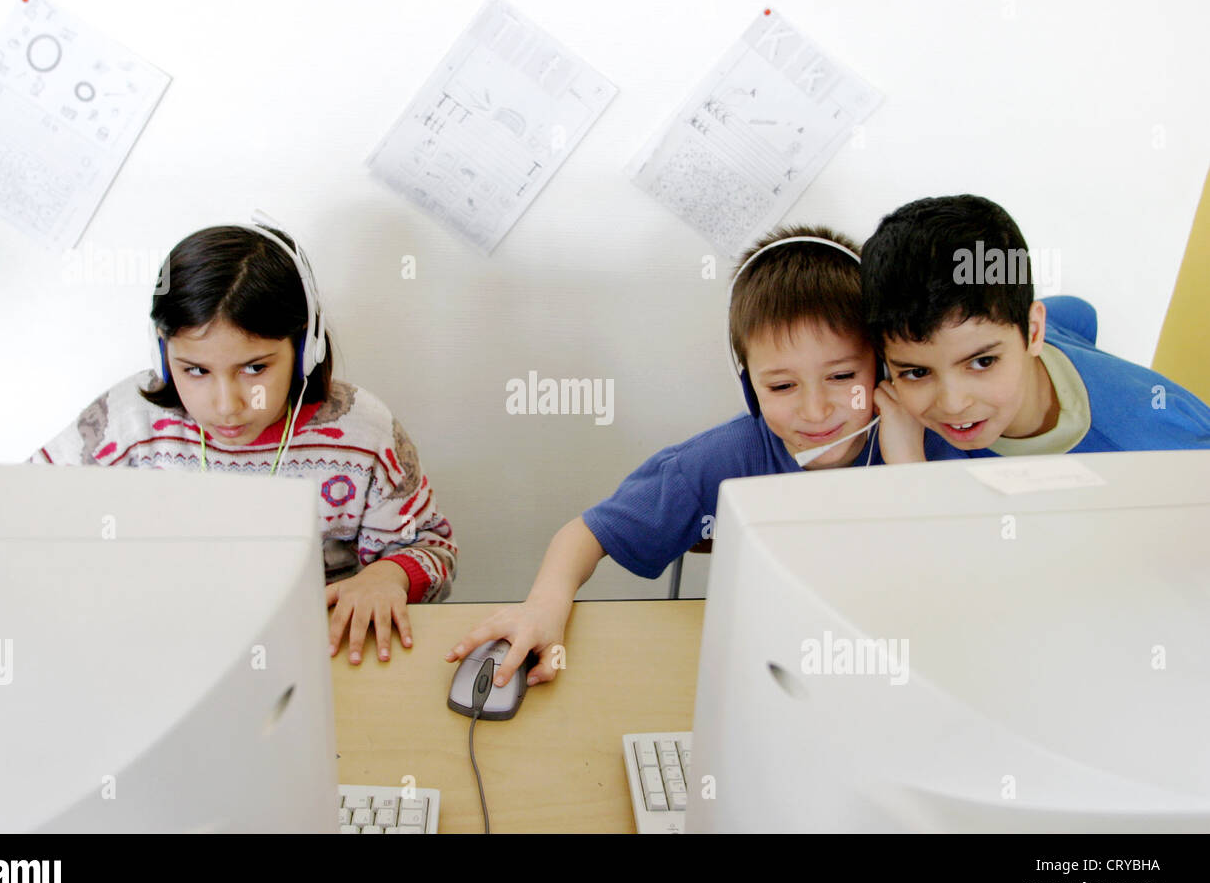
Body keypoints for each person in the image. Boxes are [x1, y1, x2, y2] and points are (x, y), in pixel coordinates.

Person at [448, 225, 926, 689]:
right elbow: (584, 534)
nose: (816, 409)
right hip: (773, 679)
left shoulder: (929, 445)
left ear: (881, 365)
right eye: (782, 386)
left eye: (842, 376)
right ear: (750, 389)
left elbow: (977, 576)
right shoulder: (727, 458)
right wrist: (543, 607)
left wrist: (910, 470)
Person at [31, 219, 457, 663]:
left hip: (312, 659)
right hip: (160, 655)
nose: (226, 405)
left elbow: (433, 549)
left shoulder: (362, 434)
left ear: (304, 348)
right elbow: (26, 510)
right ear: (163, 352)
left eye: (254, 368)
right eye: (195, 370)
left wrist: (389, 577)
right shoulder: (127, 423)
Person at [860, 194, 1210, 458]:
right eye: (918, 372)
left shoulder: (1158, 447)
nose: (952, 404)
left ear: (1034, 332)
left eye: (982, 362)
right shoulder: (1011, 326)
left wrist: (909, 473)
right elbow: (1078, 312)